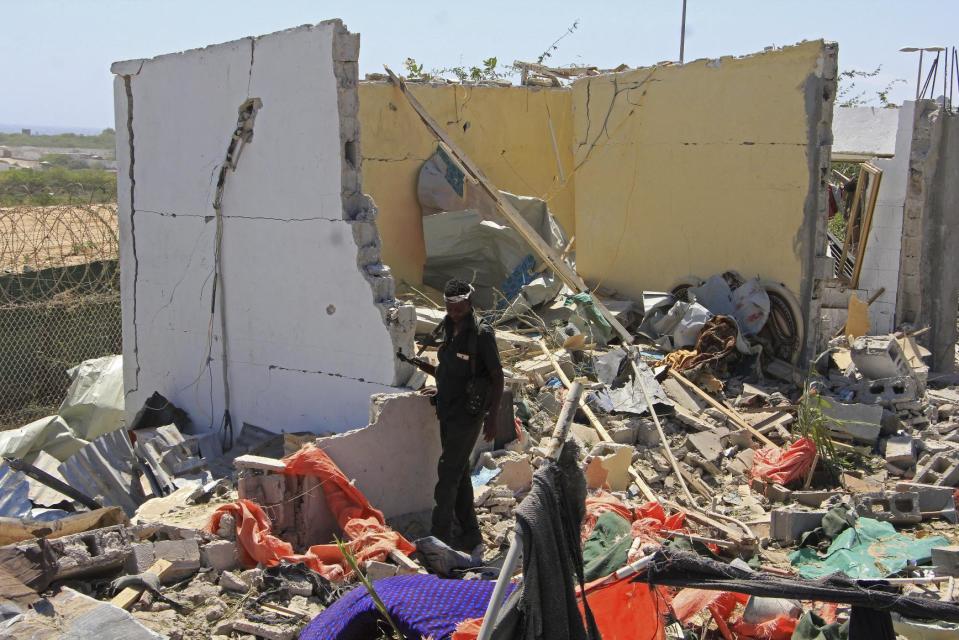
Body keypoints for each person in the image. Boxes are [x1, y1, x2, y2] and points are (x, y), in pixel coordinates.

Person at [401, 279, 504, 553]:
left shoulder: (481, 334)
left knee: (447, 472)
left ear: (469, 303)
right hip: (447, 408)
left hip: (468, 415)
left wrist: (493, 417)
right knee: (458, 472)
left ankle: (440, 537)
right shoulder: (447, 326)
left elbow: (497, 377)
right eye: (449, 306)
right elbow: (452, 368)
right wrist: (436, 378)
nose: (454, 311)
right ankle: (470, 535)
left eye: (458, 307)